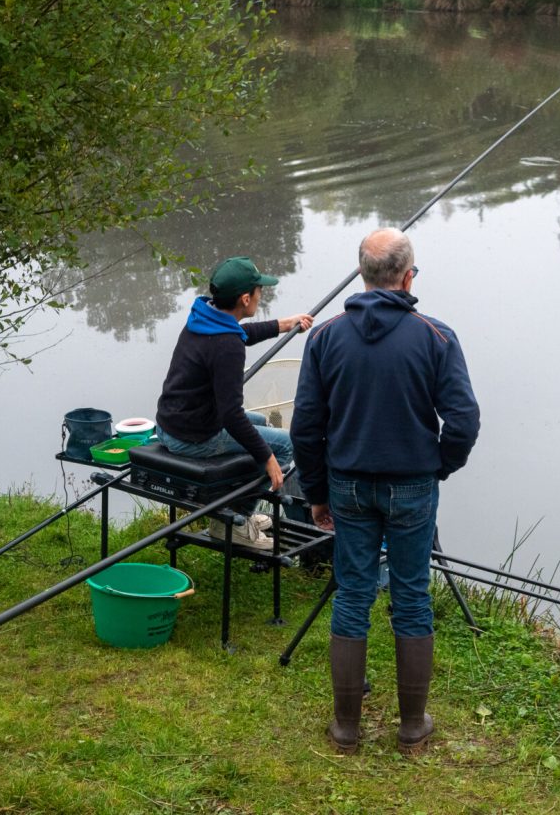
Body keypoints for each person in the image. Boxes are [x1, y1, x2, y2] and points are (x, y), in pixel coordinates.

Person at [290, 228, 480, 755]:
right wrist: (439, 466)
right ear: (408, 277)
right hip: (413, 484)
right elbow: (463, 420)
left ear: (363, 275)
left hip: (348, 484)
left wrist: (317, 492)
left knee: (352, 594)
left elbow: (306, 427)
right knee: (411, 596)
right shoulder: (436, 337)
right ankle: (412, 728)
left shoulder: (324, 338)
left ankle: (346, 730)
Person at [155, 256, 312, 550]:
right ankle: (234, 520)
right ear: (245, 298)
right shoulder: (227, 346)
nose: (261, 294)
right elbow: (231, 415)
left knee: (261, 423)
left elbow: (239, 334)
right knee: (285, 446)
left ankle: (237, 508)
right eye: (259, 290)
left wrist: (284, 324)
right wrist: (268, 458)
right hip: (194, 436)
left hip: (171, 423)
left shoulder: (202, 317)